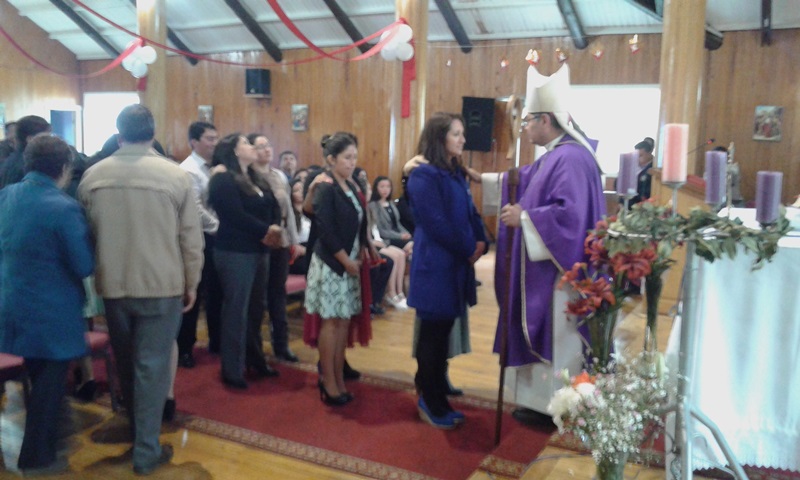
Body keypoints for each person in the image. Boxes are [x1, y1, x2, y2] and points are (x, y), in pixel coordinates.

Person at [78, 104, 204, 475]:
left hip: (114, 285)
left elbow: (88, 234)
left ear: (119, 135)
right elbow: (191, 238)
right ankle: (146, 451)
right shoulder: (175, 176)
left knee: (127, 363)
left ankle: (139, 436)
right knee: (152, 367)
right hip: (162, 284)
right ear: (153, 134)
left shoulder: (92, 176)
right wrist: (192, 282)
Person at [493, 63, 606, 425]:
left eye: (528, 121)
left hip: (559, 273)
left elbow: (569, 216)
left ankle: (556, 407)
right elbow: (525, 179)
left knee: (559, 336)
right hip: (551, 267)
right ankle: (543, 403)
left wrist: (524, 218)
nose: (525, 128)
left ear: (545, 120)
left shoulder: (569, 158)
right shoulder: (561, 154)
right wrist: (484, 179)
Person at [0, 135, 94, 475]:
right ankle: (37, 457)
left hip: (12, 302)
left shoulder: (5, 196)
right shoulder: (63, 207)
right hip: (51, 311)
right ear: (64, 168)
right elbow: (83, 265)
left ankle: (48, 444)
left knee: (40, 380)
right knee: (48, 388)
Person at [406, 112, 488, 429]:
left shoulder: (454, 172)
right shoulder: (423, 176)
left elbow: (470, 212)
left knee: (442, 336)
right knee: (432, 337)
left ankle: (439, 395)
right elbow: (436, 224)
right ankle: (429, 400)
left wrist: (482, 239)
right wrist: (468, 248)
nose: (463, 140)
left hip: (453, 265)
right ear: (440, 138)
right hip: (436, 265)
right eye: (456, 134)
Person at [208, 134, 283, 389]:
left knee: (255, 309)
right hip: (235, 251)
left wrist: (275, 226)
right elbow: (234, 215)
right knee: (236, 311)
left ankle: (256, 360)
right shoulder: (223, 179)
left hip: (259, 249)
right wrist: (267, 231)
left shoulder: (255, 177)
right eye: (246, 144)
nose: (252, 147)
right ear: (234, 151)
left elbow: (273, 205)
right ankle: (232, 368)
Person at [303, 132, 370, 406]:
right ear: (331, 159)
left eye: (354, 157)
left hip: (350, 261)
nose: (352, 162)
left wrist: (364, 246)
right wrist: (345, 261)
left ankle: (339, 378)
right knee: (331, 323)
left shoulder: (351, 184)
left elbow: (360, 220)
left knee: (343, 322)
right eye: (347, 157)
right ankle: (328, 381)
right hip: (333, 263)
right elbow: (325, 229)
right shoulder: (326, 185)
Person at [249, 132, 302, 362]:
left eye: (268, 145)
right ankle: (255, 349)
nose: (267, 149)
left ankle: (281, 344)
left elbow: (287, 210)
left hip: (281, 241)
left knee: (277, 293)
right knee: (258, 297)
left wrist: (293, 240)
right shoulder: (246, 177)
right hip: (258, 242)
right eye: (260, 146)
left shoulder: (279, 175)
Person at [178, 121, 223, 366]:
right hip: (199, 237)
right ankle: (185, 347)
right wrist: (220, 227)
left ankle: (217, 340)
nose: (214, 143)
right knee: (194, 292)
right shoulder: (189, 170)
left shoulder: (215, 167)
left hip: (216, 237)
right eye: (209, 139)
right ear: (194, 142)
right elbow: (195, 210)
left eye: (216, 138)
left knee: (216, 292)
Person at [0, 115, 51, 189]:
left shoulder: (11, 161)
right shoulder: (28, 166)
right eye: (45, 138)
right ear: (30, 139)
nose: (50, 142)